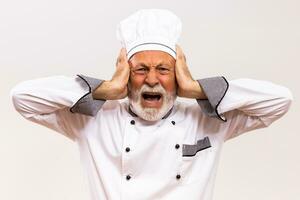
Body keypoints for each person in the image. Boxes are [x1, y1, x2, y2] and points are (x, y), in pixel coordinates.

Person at [10, 9, 293, 200]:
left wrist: (196, 88)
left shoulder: (207, 118)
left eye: (164, 70)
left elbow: (280, 101)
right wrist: (107, 89)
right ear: (126, 76)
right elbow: (22, 98)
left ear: (178, 77)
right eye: (141, 70)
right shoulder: (92, 120)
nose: (152, 80)